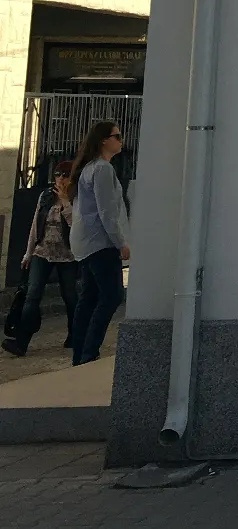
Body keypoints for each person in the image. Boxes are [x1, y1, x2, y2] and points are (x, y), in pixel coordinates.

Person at [66, 120, 129, 367]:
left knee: (89, 297)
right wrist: (120, 241)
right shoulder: (102, 169)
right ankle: (89, 352)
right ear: (104, 140)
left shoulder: (89, 168)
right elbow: (107, 211)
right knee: (111, 295)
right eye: (117, 136)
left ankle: (80, 354)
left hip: (86, 242)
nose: (121, 141)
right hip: (100, 242)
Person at [2, 162, 79, 357]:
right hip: (42, 251)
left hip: (67, 255)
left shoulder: (77, 198)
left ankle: (75, 334)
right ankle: (21, 342)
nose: (61, 178)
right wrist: (28, 253)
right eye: (58, 174)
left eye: (65, 175)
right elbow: (36, 226)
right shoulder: (45, 196)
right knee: (32, 294)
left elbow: (76, 225)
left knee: (70, 296)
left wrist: (65, 203)